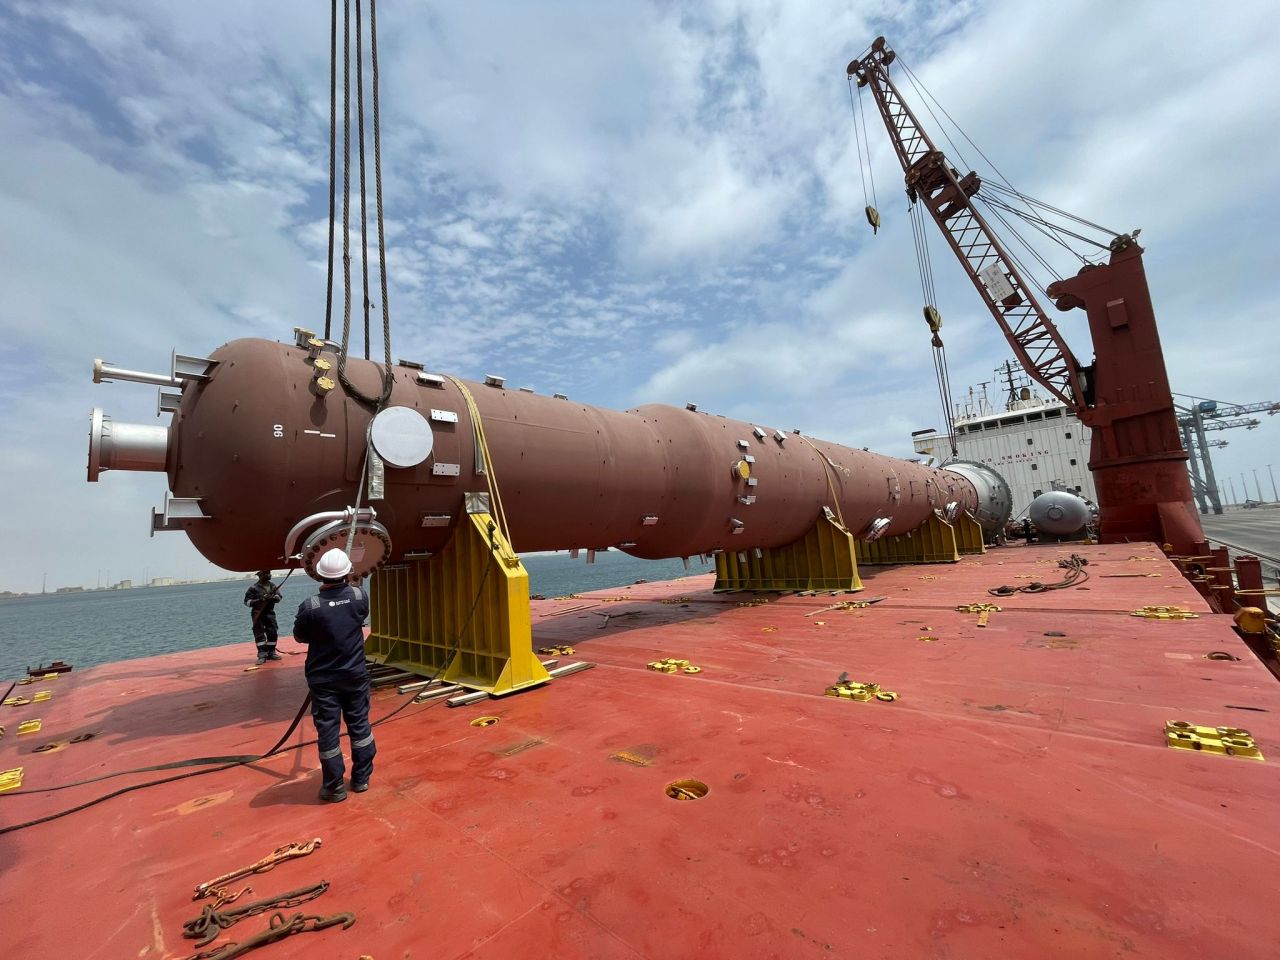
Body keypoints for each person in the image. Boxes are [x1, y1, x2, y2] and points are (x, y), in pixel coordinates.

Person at [293, 547, 375, 803]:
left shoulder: (311, 606)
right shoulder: (359, 597)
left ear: (319, 575)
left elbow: (300, 636)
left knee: (328, 733)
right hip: (355, 676)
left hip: (324, 681)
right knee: (360, 727)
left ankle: (334, 787)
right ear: (347, 572)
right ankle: (361, 779)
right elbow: (359, 616)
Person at [243, 570, 282, 664]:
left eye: (269, 573)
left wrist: (273, 598)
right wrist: (260, 600)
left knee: (272, 632)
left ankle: (271, 653)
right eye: (266, 573)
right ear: (260, 575)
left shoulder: (272, 586)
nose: (269, 575)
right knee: (259, 634)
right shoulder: (253, 588)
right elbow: (247, 602)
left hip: (270, 613)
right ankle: (262, 655)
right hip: (258, 614)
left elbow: (279, 597)